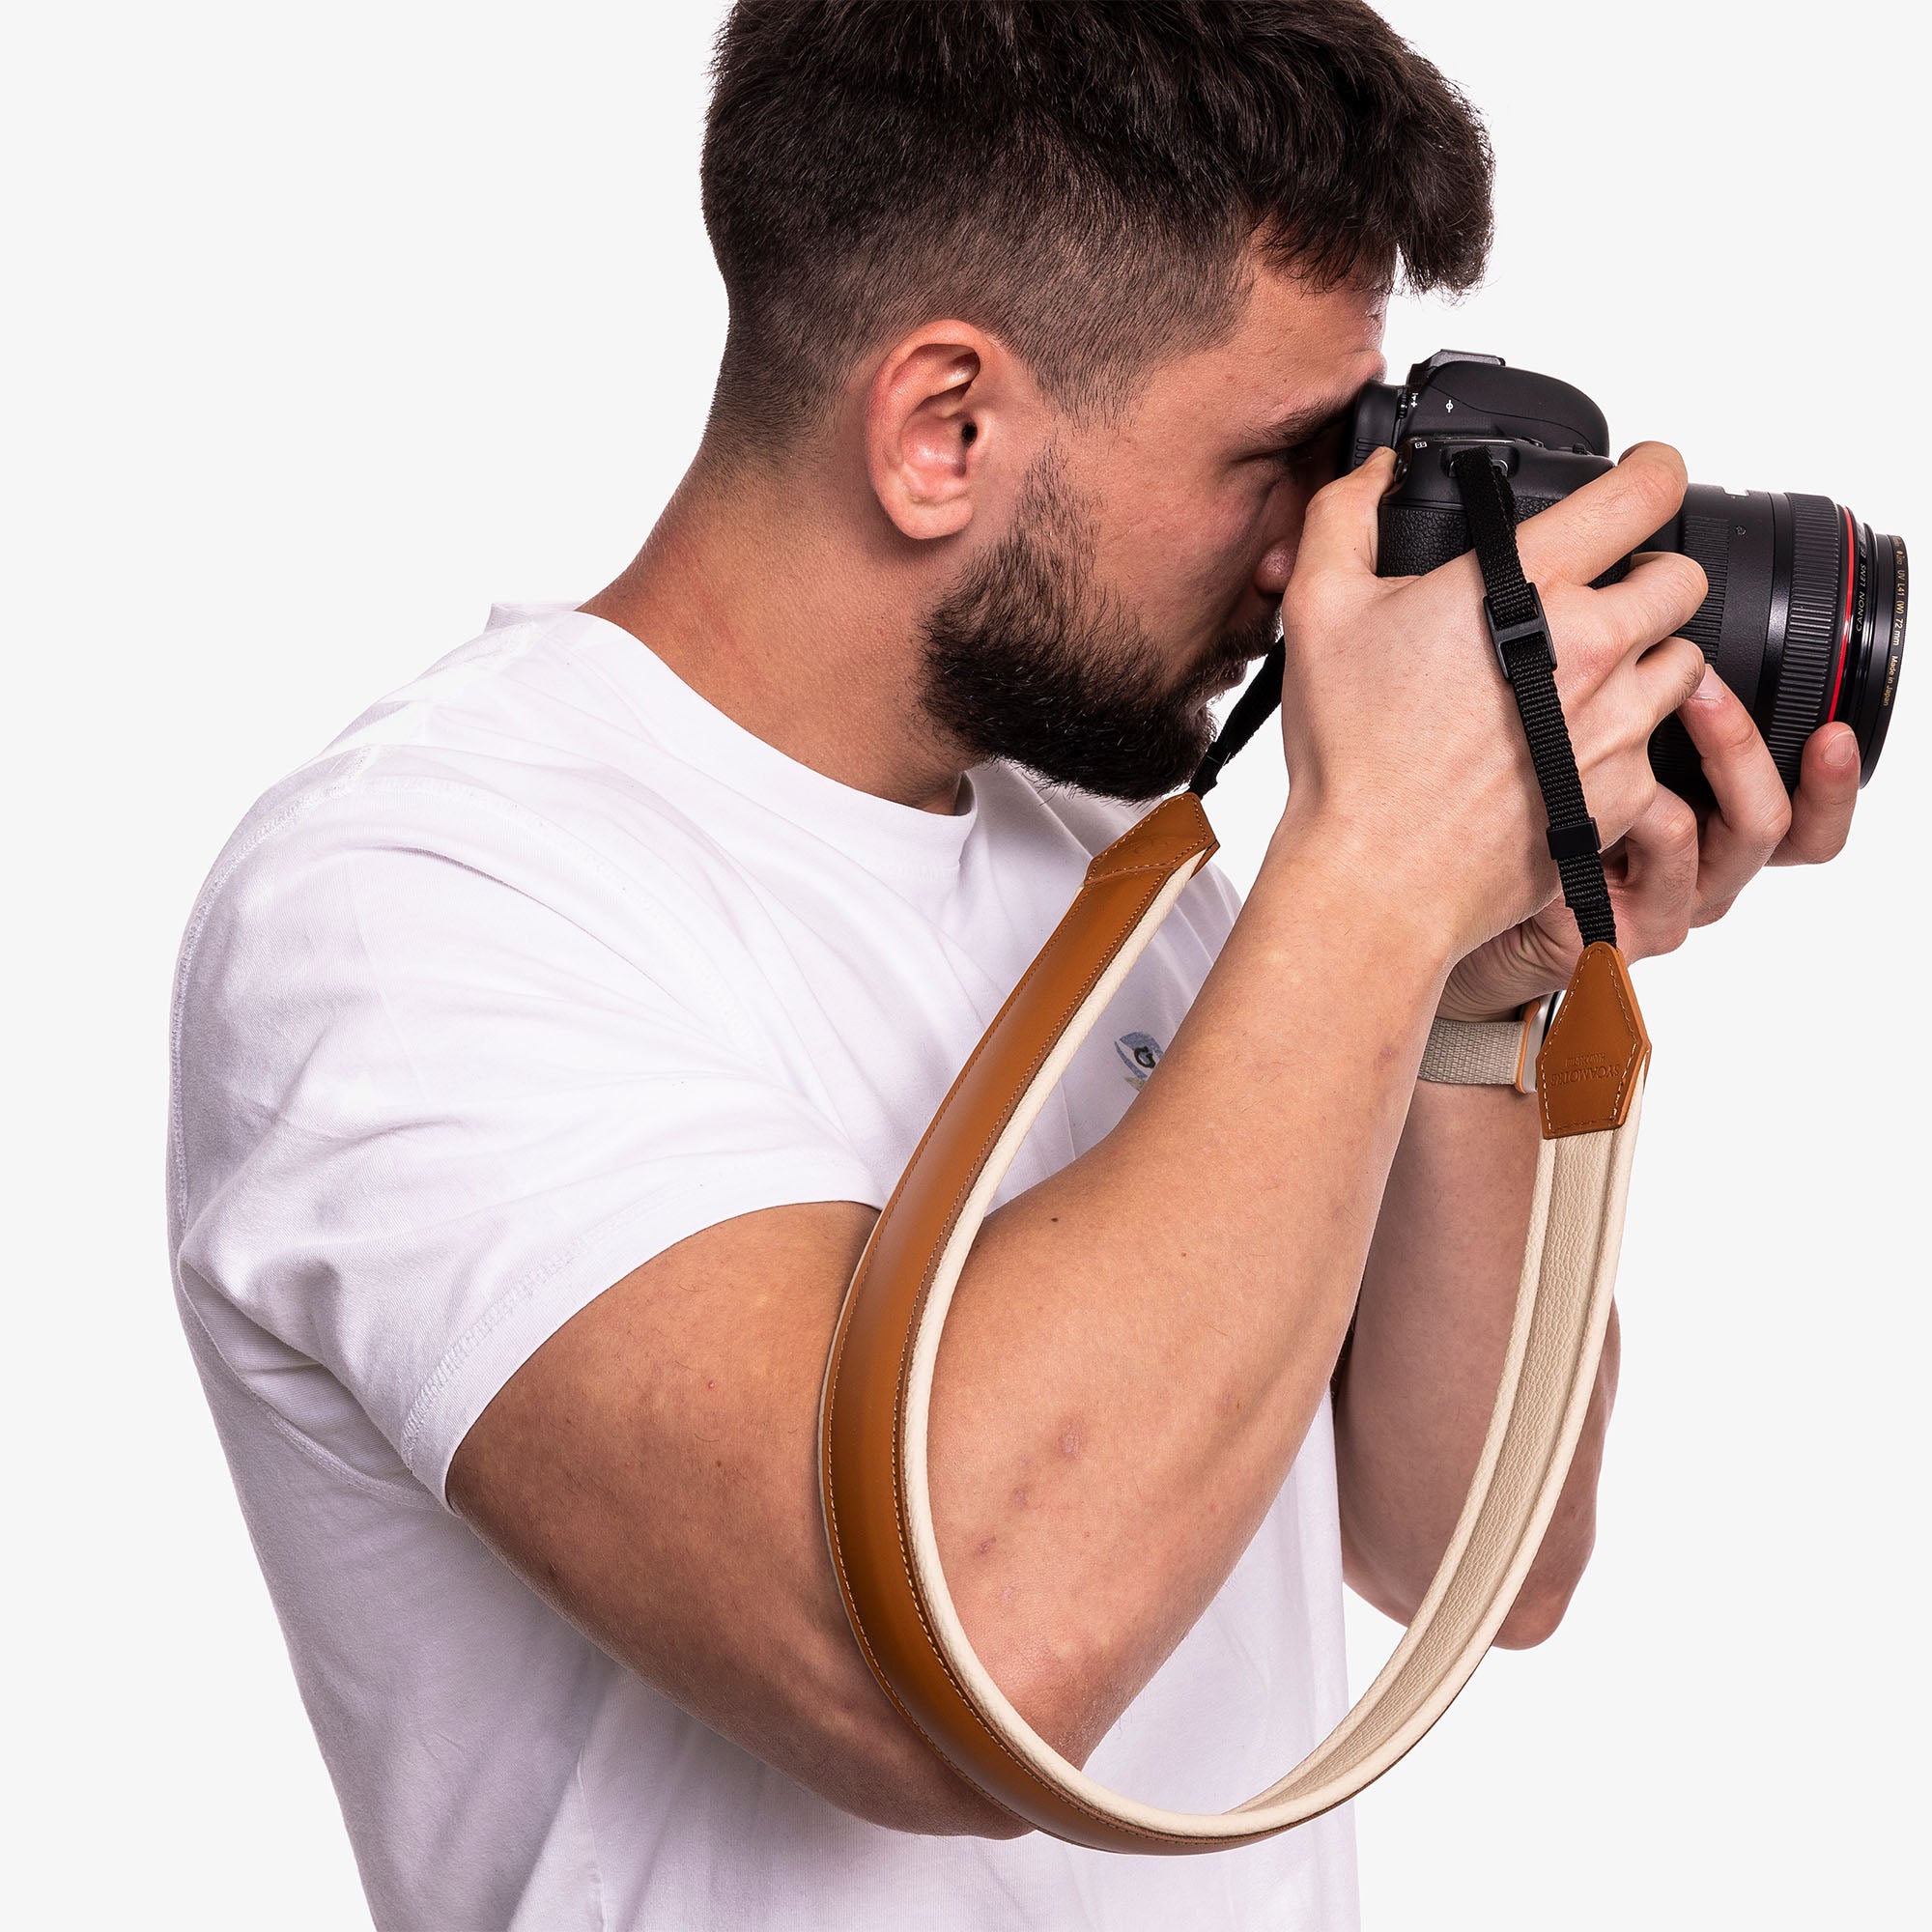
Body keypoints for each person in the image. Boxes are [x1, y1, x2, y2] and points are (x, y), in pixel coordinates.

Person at [165, 4, 1861, 1927]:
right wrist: (1377, 864)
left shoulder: (1115, 867)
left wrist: (1474, 971)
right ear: (941, 430)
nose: (1317, 551)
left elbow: (1478, 1543)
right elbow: (959, 1662)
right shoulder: (418, 897)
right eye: (1280, 454)